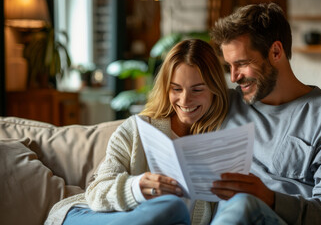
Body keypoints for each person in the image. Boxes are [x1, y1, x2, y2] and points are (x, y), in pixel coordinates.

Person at [44, 38, 229, 225]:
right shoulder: (137, 129)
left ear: (215, 89)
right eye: (176, 89)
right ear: (166, 89)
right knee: (170, 207)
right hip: (89, 215)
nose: (185, 99)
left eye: (197, 90)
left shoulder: (221, 139)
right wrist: (136, 188)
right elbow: (97, 192)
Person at [208, 3, 321, 224]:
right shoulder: (227, 104)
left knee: (244, 204)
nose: (233, 77)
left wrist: (270, 199)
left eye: (242, 64)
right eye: (229, 66)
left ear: (276, 52)